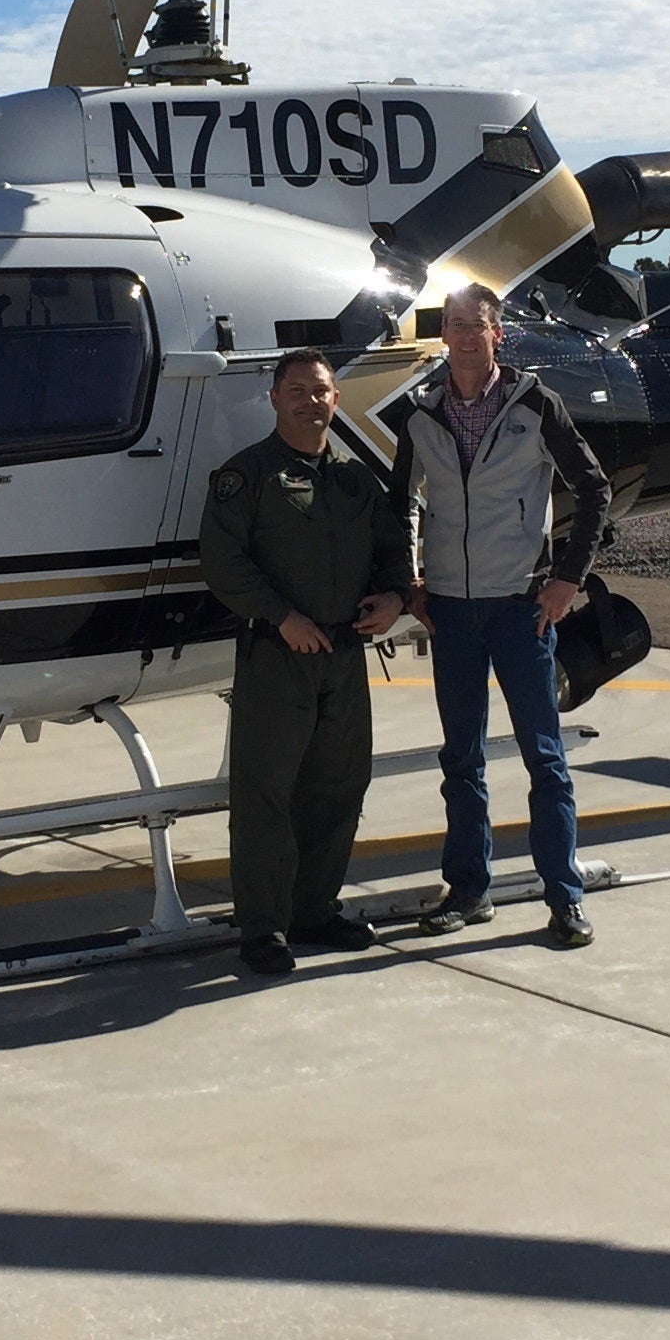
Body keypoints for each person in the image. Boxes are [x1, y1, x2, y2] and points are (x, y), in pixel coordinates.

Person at [391, 281, 613, 946]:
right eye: (453, 324)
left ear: (498, 335)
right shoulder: (421, 413)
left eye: (475, 325)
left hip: (522, 609)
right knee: (460, 760)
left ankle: (564, 898)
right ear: (445, 336)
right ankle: (469, 891)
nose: (462, 336)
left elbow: (594, 488)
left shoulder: (535, 405)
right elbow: (401, 502)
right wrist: (411, 585)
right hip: (451, 614)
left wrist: (567, 580)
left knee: (545, 759)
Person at [199, 348, 411, 978]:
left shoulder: (354, 480)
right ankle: (264, 927)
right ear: (274, 398)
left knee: (340, 786)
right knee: (266, 794)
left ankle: (313, 910)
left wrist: (396, 597)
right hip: (278, 658)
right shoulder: (246, 477)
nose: (309, 401)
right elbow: (224, 564)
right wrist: (280, 616)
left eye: (320, 391)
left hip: (344, 658)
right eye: (296, 390)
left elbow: (393, 545)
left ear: (334, 400)